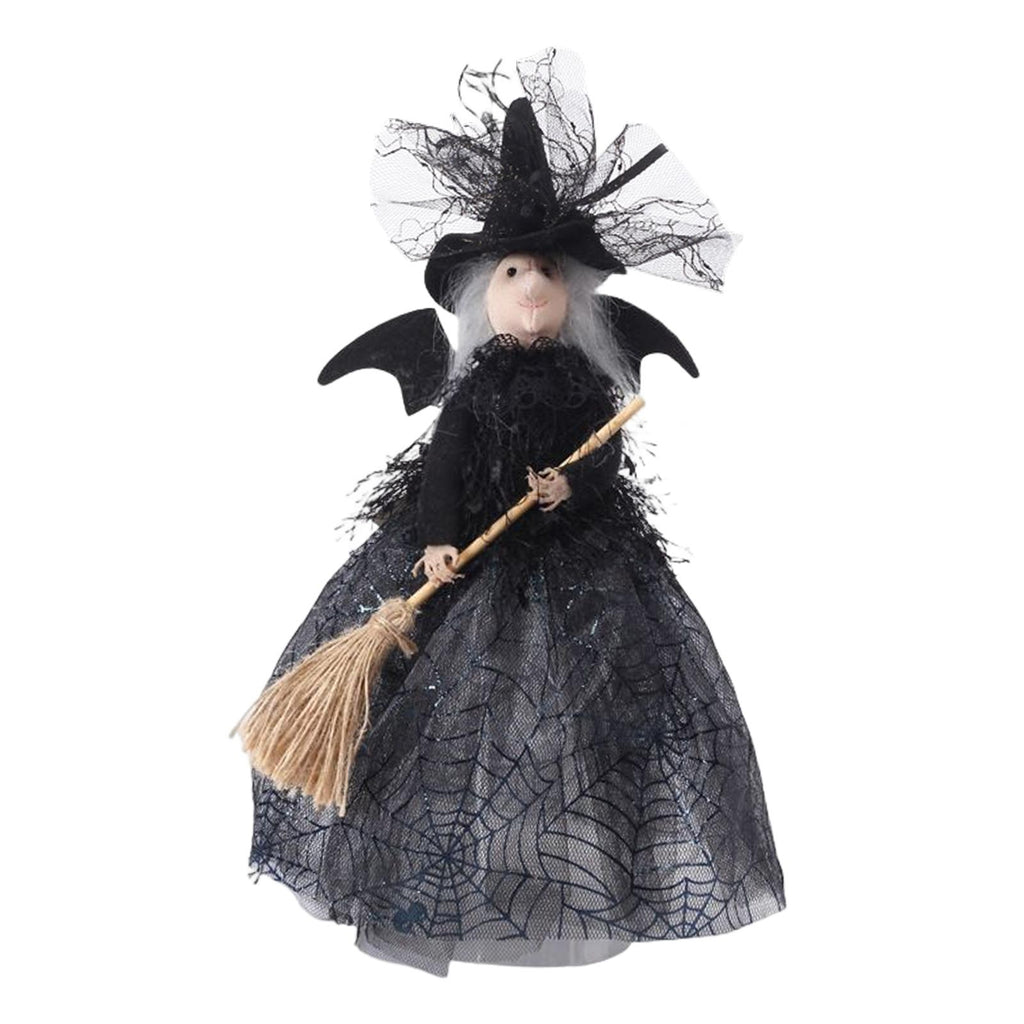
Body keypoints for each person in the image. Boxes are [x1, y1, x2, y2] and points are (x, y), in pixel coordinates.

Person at [244, 47, 786, 977]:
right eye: (512, 272)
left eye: (545, 273)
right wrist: (437, 538)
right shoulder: (471, 386)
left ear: (570, 291)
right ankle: (427, 857)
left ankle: (566, 857)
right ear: (482, 291)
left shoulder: (585, 381)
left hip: (577, 558)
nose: (531, 289)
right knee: (437, 706)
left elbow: (605, 452)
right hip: (465, 560)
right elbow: (444, 466)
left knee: (576, 707)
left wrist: (573, 486)